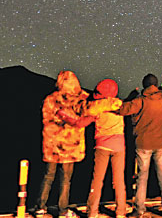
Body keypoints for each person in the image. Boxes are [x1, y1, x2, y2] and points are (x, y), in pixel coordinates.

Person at [36, 71, 93, 218]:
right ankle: (63, 210)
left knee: (48, 176)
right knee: (65, 180)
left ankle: (40, 207)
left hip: (52, 146)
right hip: (69, 146)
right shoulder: (76, 101)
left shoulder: (49, 99)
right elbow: (81, 117)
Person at [118, 74, 162, 217]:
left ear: (144, 85)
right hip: (161, 143)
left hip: (144, 144)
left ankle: (139, 209)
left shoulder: (140, 101)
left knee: (142, 177)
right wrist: (160, 90)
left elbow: (122, 110)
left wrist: (131, 96)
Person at [85, 79, 126, 218]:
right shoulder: (119, 103)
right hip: (119, 145)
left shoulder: (96, 105)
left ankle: (92, 212)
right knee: (119, 181)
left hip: (102, 144)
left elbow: (87, 110)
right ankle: (121, 212)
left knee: (97, 180)